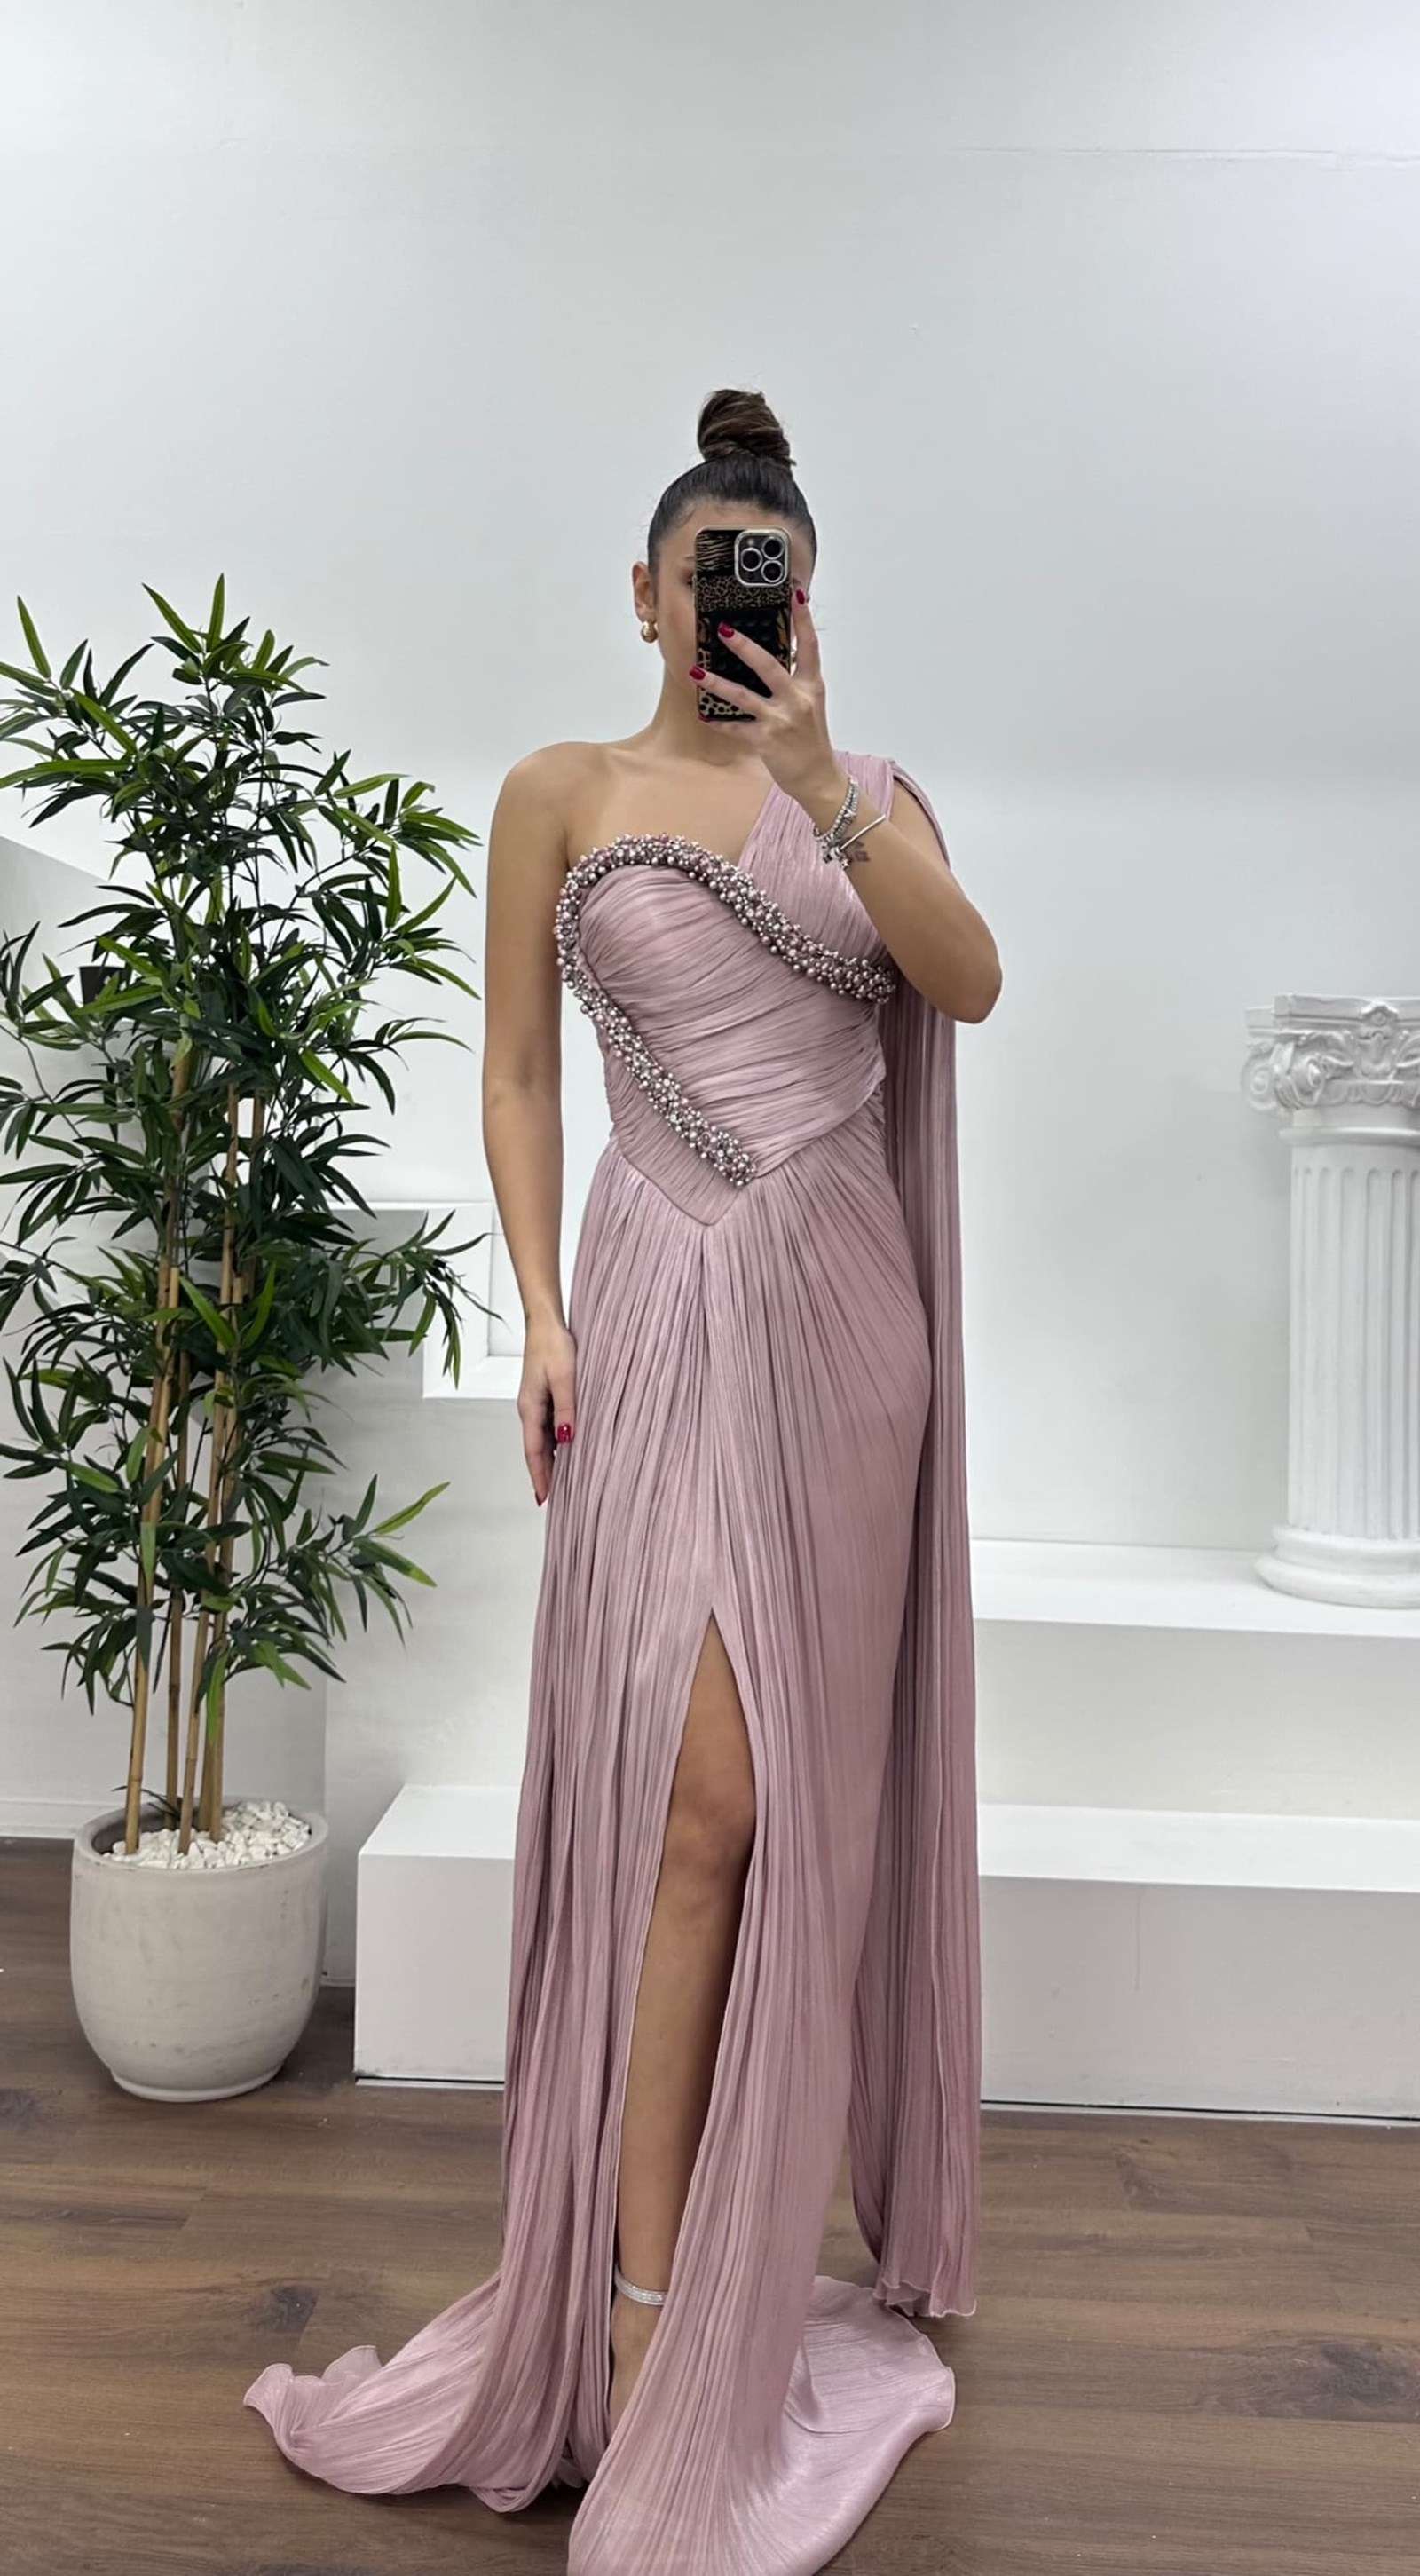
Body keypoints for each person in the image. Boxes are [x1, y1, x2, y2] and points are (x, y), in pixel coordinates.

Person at [243, 385, 1001, 2574]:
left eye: (771, 583)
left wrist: (820, 789)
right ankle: (639, 2305)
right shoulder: (557, 793)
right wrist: (541, 1310)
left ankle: (709, 2293)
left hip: (843, 1325)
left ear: (802, 607)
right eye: (703, 578)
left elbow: (967, 983)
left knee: (773, 1804)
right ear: (643, 591)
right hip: (652, 1304)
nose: (731, 610)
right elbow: (508, 1068)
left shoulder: (868, 795)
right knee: (692, 1804)